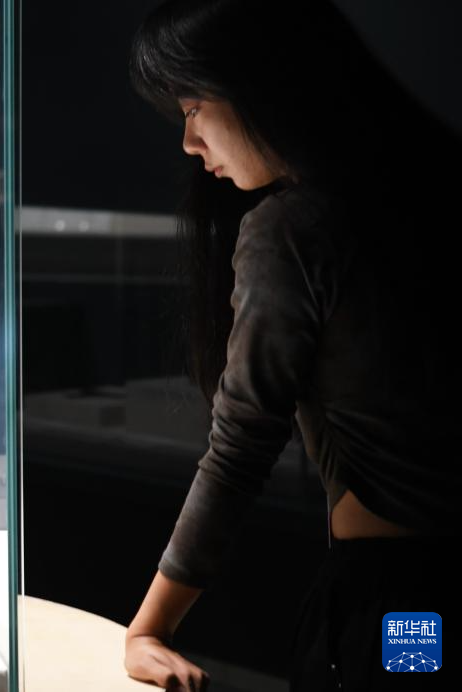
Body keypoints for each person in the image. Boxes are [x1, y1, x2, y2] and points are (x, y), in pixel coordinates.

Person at [123, 0, 462, 690]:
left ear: (261, 84)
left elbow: (241, 445)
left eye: (194, 108)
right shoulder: (429, 188)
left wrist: (149, 628)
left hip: (401, 606)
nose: (189, 142)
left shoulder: (294, 229)